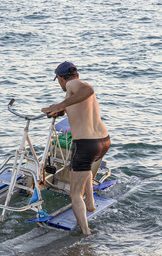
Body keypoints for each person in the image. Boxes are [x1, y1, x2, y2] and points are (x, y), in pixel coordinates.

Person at [41, 61, 110, 236]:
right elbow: (72, 106)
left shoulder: (74, 85)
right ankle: (91, 204)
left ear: (61, 78)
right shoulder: (75, 90)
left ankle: (86, 233)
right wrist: (59, 110)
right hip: (103, 141)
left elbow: (88, 91)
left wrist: (57, 106)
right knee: (84, 169)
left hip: (86, 144)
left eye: (58, 80)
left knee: (75, 195)